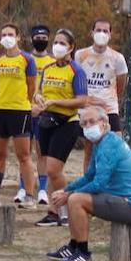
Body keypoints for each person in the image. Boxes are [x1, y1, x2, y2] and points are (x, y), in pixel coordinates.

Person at [44, 105, 131, 261]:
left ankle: (83, 254)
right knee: (72, 197)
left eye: (91, 122)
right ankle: (74, 246)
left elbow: (99, 183)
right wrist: (66, 190)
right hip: (121, 199)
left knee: (76, 200)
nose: (87, 127)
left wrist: (70, 193)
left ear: (104, 123)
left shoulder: (109, 145)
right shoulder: (101, 143)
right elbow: (89, 176)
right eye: (84, 124)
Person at [32, 28, 89, 228]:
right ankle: (53, 212)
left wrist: (55, 101)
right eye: (55, 42)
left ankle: (66, 209)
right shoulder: (47, 68)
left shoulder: (76, 70)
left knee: (54, 169)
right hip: (46, 121)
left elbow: (82, 100)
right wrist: (38, 99)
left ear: (71, 47)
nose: (57, 46)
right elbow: (39, 92)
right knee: (48, 170)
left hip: (67, 122)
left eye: (62, 43)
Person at [0, 23, 39, 207]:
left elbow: (31, 86)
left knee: (24, 155)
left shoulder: (27, 59)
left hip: (19, 111)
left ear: (18, 37)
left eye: (10, 34)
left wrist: (26, 103)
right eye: (3, 34)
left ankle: (29, 195)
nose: (7, 37)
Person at [74, 18, 127, 143]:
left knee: (115, 143)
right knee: (89, 148)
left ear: (110, 35)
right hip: (86, 108)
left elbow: (121, 85)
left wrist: (108, 98)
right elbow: (75, 81)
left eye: (105, 31)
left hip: (108, 108)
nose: (101, 33)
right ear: (92, 33)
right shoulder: (80, 55)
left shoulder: (117, 58)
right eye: (98, 30)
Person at [29, 24, 55, 205]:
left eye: (44, 38)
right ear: (31, 39)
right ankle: (24, 188)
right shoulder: (26, 59)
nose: (40, 40)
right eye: (37, 38)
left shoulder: (53, 61)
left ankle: (43, 190)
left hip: (43, 111)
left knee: (42, 152)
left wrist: (44, 107)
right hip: (24, 109)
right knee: (24, 152)